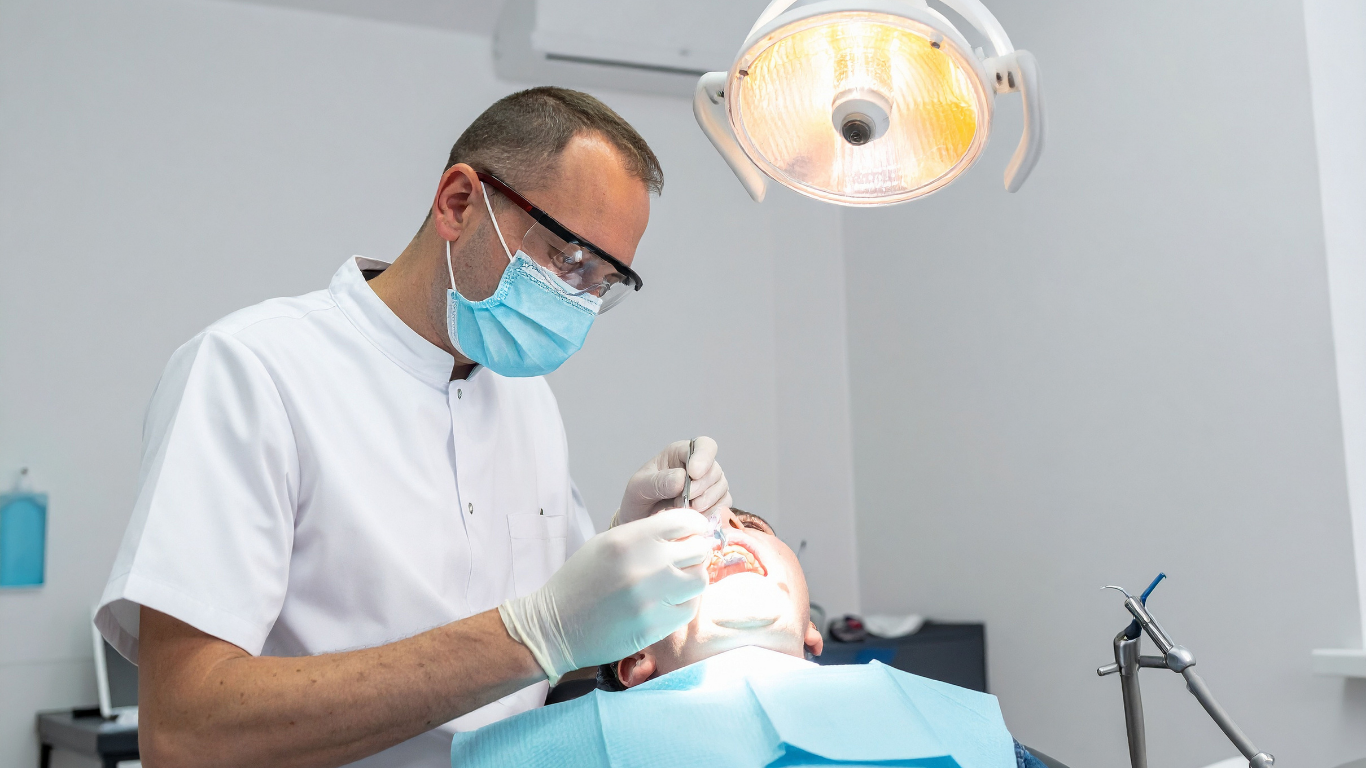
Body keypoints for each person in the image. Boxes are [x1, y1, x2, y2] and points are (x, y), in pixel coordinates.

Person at [94, 87, 734, 768]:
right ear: (458, 204)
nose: (577, 300)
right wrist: (533, 634)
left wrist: (621, 570)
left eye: (602, 283)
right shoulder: (253, 372)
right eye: (567, 258)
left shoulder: (527, 403)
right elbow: (186, 732)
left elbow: (556, 672)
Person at [449, 508, 1051, 768]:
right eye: (687, 545)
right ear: (635, 656)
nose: (725, 534)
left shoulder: (957, 723)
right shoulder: (551, 751)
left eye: (751, 528)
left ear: (812, 631)